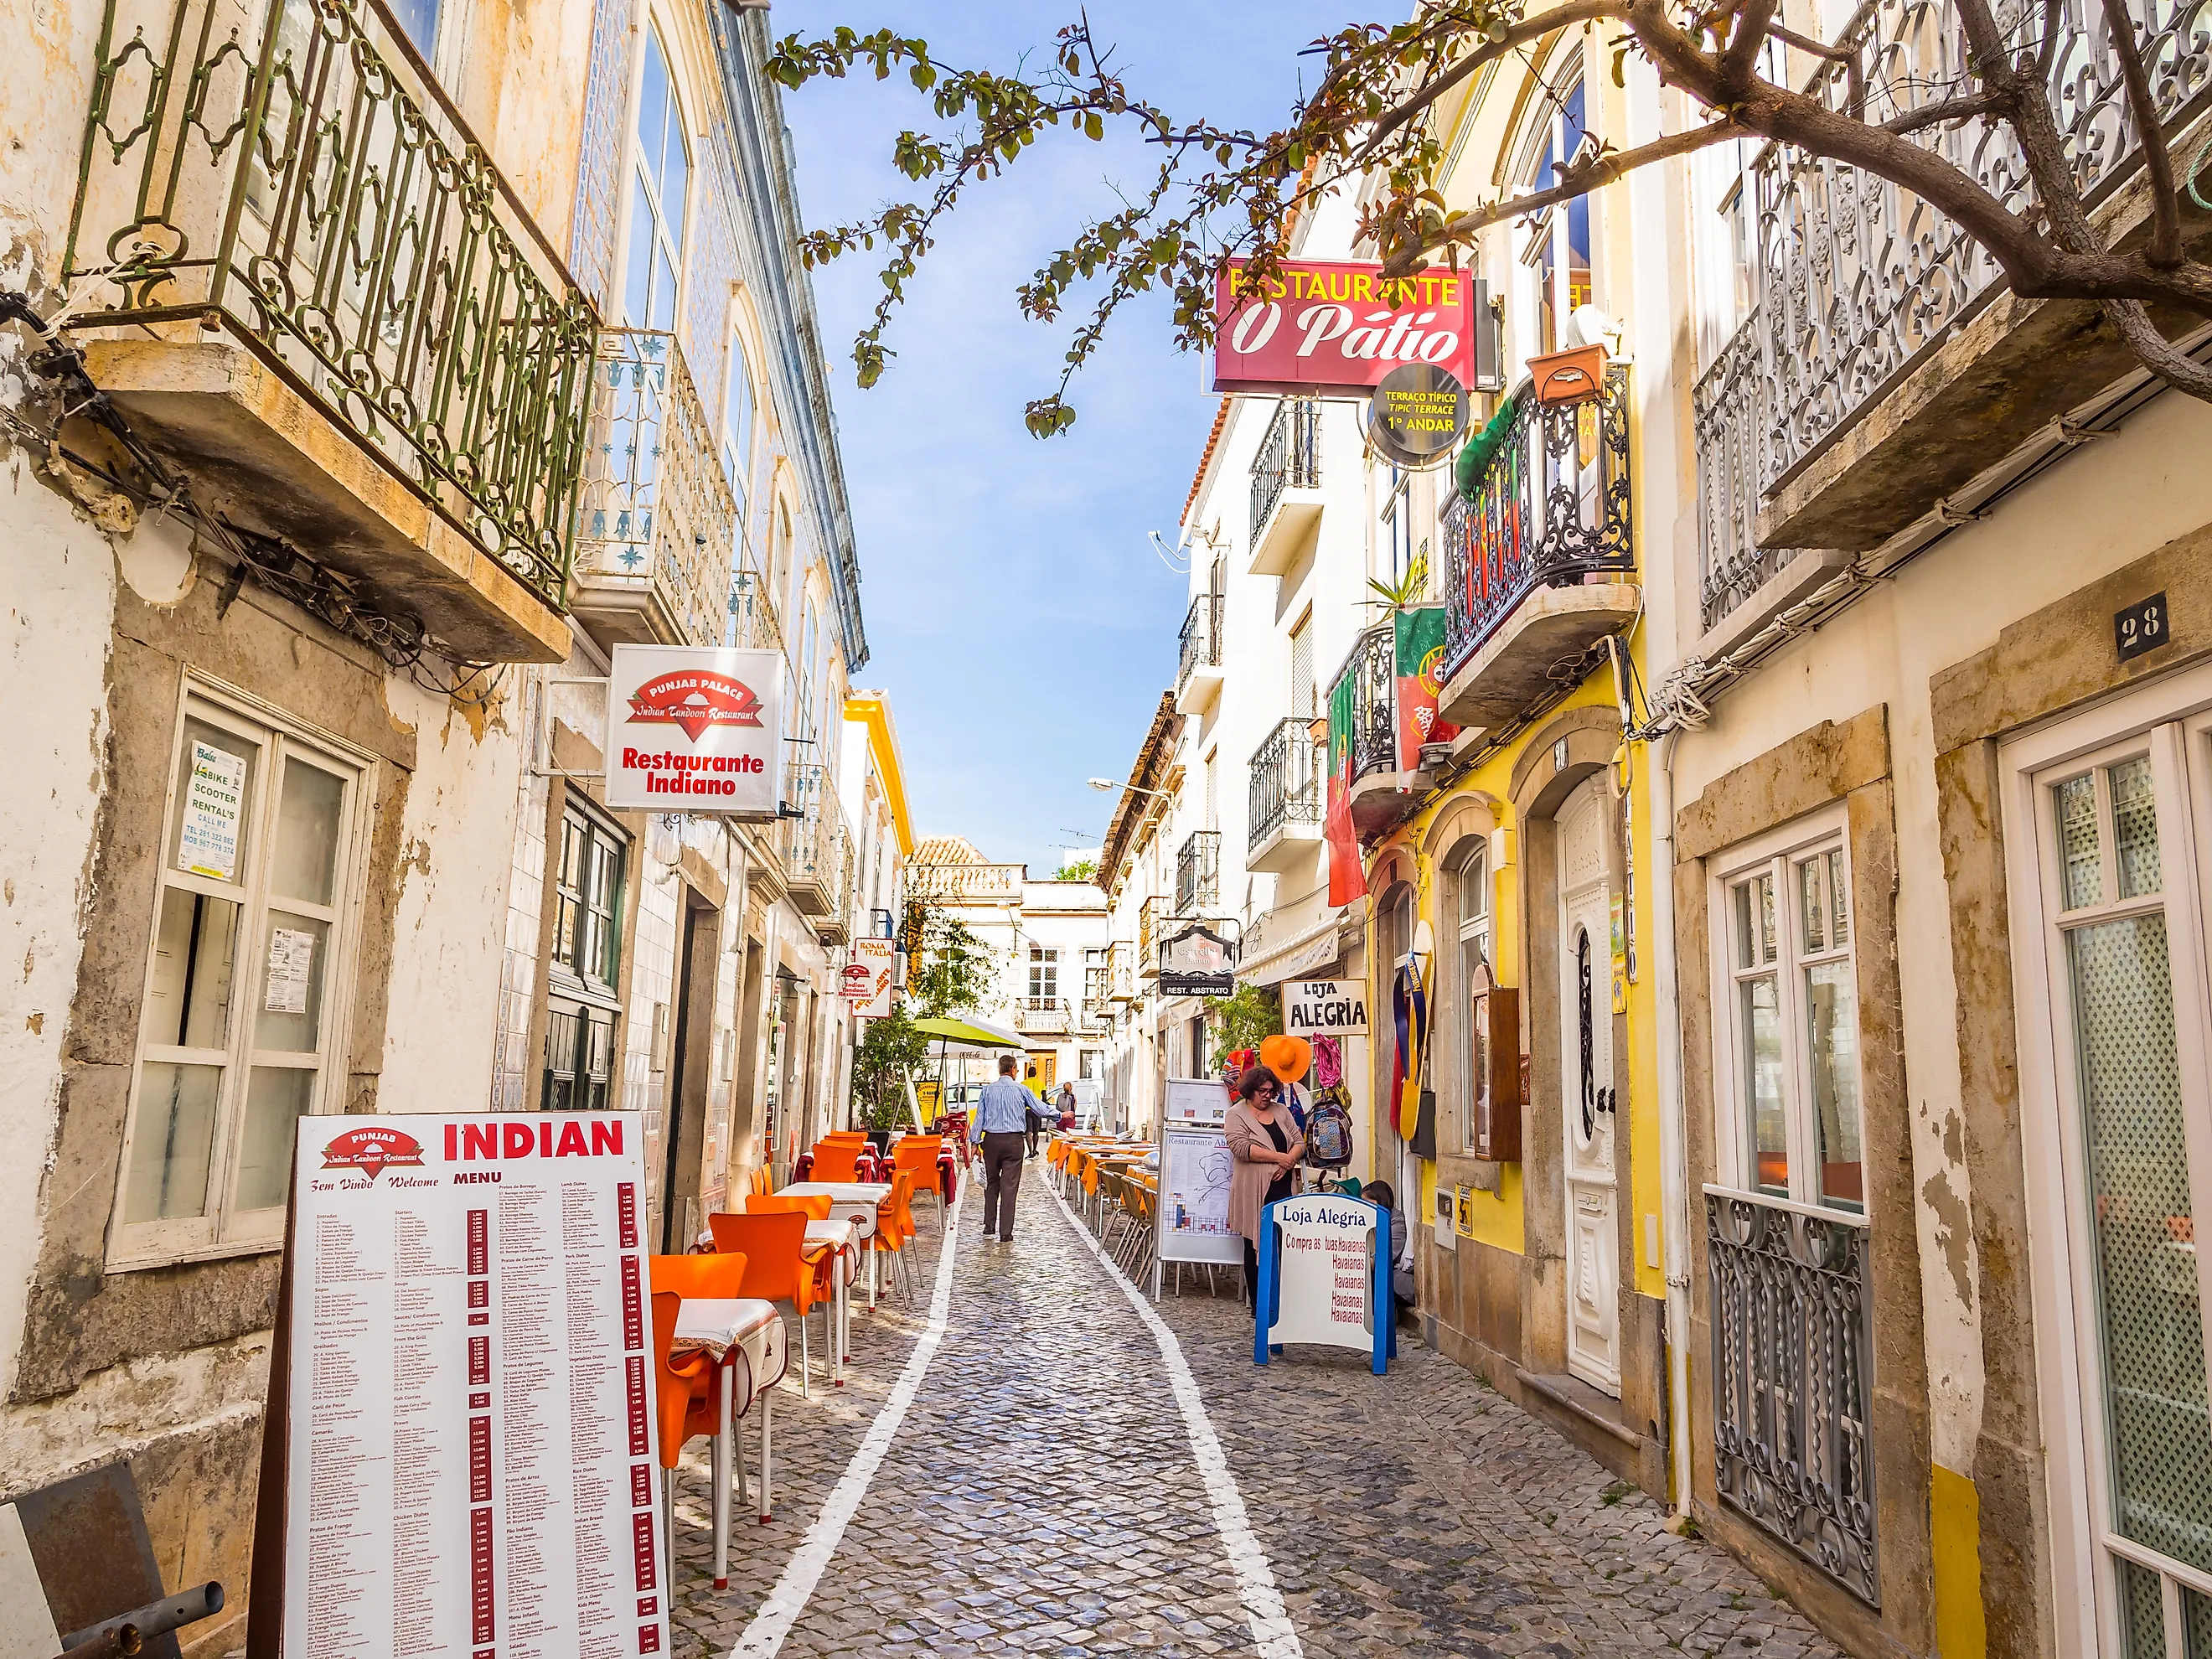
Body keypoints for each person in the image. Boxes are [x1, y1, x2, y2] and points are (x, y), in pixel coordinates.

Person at [1225, 1064, 1305, 1322]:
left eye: (1271, 1091)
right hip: (1254, 1189)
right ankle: (1258, 1303)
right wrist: (1279, 1158)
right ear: (1251, 1090)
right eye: (1262, 1091)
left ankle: (1282, 1299)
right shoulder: (1236, 1114)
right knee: (1253, 1242)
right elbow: (1241, 1148)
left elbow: (1299, 1141)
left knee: (1283, 1243)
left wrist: (1289, 1161)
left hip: (1282, 1186)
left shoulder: (1281, 1112)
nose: (1267, 1096)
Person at [969, 1055, 1034, 1242]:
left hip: (991, 1142)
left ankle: (989, 1226)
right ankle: (1006, 1233)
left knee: (991, 1183)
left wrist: (975, 1143)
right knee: (1009, 1187)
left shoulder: (987, 1091)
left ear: (1000, 1070)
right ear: (1013, 1069)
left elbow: (979, 1118)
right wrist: (1061, 1115)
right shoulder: (1022, 1090)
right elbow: (1040, 1109)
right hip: (1014, 1143)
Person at [1364, 1180, 1416, 1326]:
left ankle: (1378, 1320)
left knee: (1374, 1274)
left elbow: (1386, 1256)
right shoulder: (1369, 1221)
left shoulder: (1397, 1222)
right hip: (1381, 1273)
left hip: (1400, 1282)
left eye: (1368, 1203)